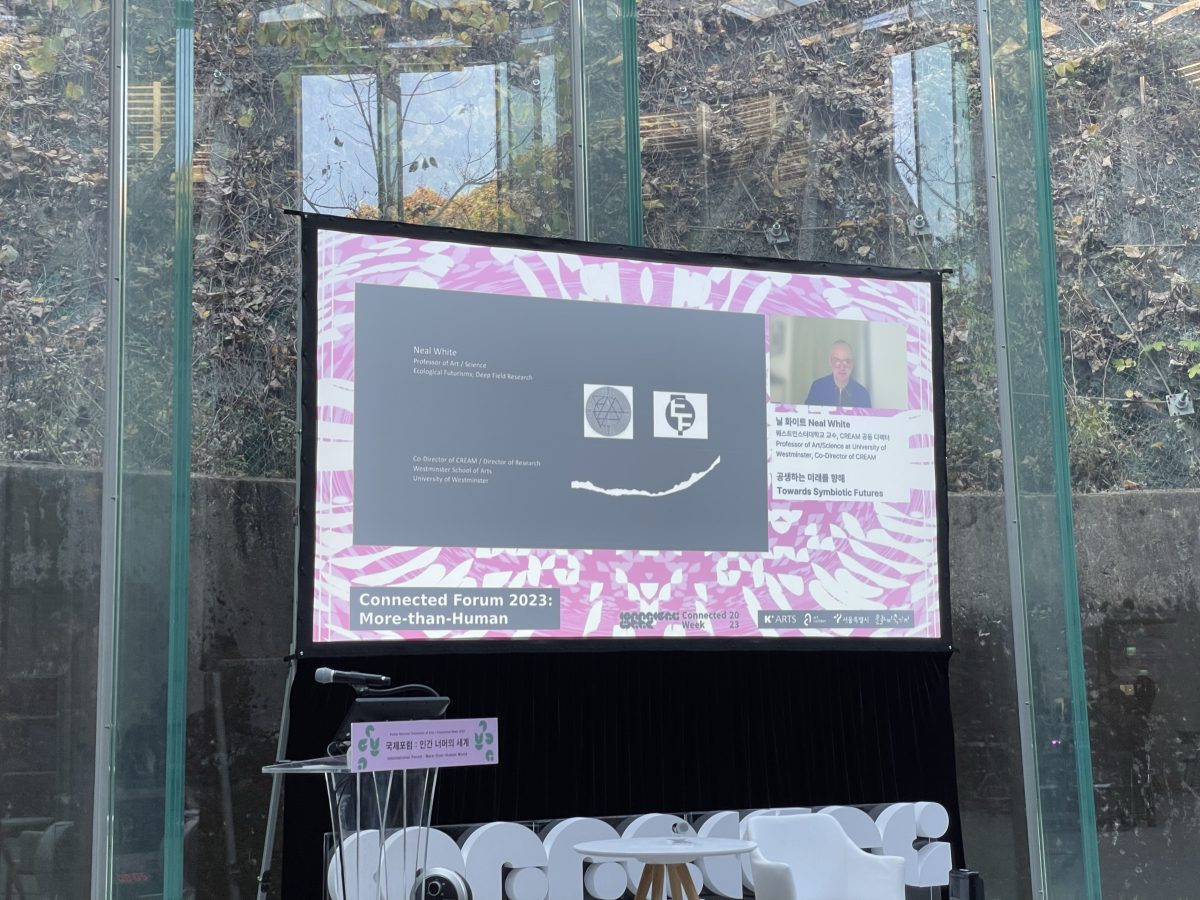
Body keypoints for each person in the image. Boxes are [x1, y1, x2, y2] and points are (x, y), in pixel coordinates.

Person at [805, 339, 872, 407]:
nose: (842, 367)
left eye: (847, 361)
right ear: (830, 362)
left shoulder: (862, 393)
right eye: (837, 361)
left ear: (852, 364)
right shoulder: (817, 388)